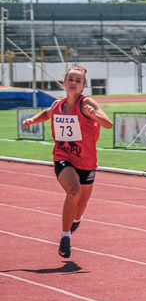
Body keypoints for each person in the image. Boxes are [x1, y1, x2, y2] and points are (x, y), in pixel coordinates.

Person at [21, 66, 113, 259]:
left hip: (87, 161)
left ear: (83, 86)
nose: (73, 83)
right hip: (63, 156)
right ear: (64, 82)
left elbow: (108, 123)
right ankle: (65, 236)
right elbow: (46, 114)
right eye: (70, 79)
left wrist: (95, 115)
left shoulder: (86, 102)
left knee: (81, 203)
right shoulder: (57, 105)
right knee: (73, 192)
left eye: (78, 81)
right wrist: (32, 120)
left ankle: (76, 220)